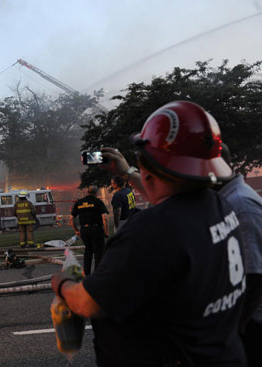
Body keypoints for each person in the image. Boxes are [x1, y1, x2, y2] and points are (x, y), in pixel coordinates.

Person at [52, 101, 245, 366]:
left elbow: (88, 303)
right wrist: (128, 173)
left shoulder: (151, 233)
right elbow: (169, 201)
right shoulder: (219, 205)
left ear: (148, 163)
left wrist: (62, 284)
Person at [219, 143, 262, 366]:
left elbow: (254, 274)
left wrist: (236, 328)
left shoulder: (241, 204)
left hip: (252, 322)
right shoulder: (225, 199)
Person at [70, 186, 109, 275]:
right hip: (96, 229)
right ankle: (97, 275)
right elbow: (105, 218)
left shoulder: (79, 202)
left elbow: (71, 219)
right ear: (96, 193)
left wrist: (76, 230)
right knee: (98, 254)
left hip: (84, 230)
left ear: (87, 192)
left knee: (88, 253)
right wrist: (106, 232)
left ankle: (86, 275)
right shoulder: (98, 202)